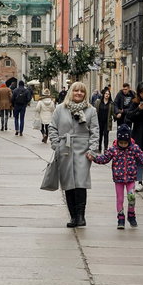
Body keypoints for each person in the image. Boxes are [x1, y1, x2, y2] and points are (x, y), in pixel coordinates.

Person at [47, 81, 100, 228]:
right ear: (71, 92)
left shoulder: (91, 110)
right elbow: (52, 127)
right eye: (76, 91)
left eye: (82, 91)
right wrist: (56, 145)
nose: (79, 93)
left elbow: (95, 132)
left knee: (80, 182)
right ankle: (73, 217)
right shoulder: (60, 109)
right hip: (65, 148)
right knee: (68, 183)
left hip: (83, 150)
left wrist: (92, 150)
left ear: (85, 94)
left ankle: (81, 216)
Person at [89, 124, 143, 229]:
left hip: (130, 178)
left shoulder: (134, 148)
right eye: (121, 142)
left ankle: (131, 215)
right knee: (120, 198)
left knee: (131, 197)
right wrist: (94, 158)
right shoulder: (114, 149)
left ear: (129, 141)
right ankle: (120, 217)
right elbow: (104, 159)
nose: (122, 145)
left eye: (125, 143)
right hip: (119, 179)